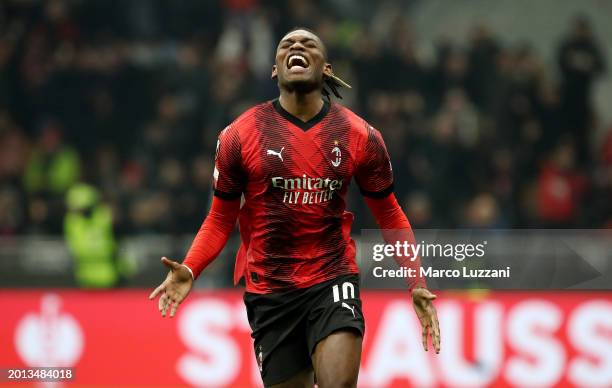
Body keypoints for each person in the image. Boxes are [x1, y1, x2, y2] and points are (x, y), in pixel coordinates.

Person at [149, 28, 440, 388]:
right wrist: (190, 268)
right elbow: (220, 217)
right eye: (287, 44)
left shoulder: (360, 136)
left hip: (333, 277)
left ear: (326, 69)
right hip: (270, 290)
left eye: (308, 44)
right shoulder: (240, 136)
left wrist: (415, 280)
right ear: (275, 70)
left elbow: (389, 212)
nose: (297, 46)